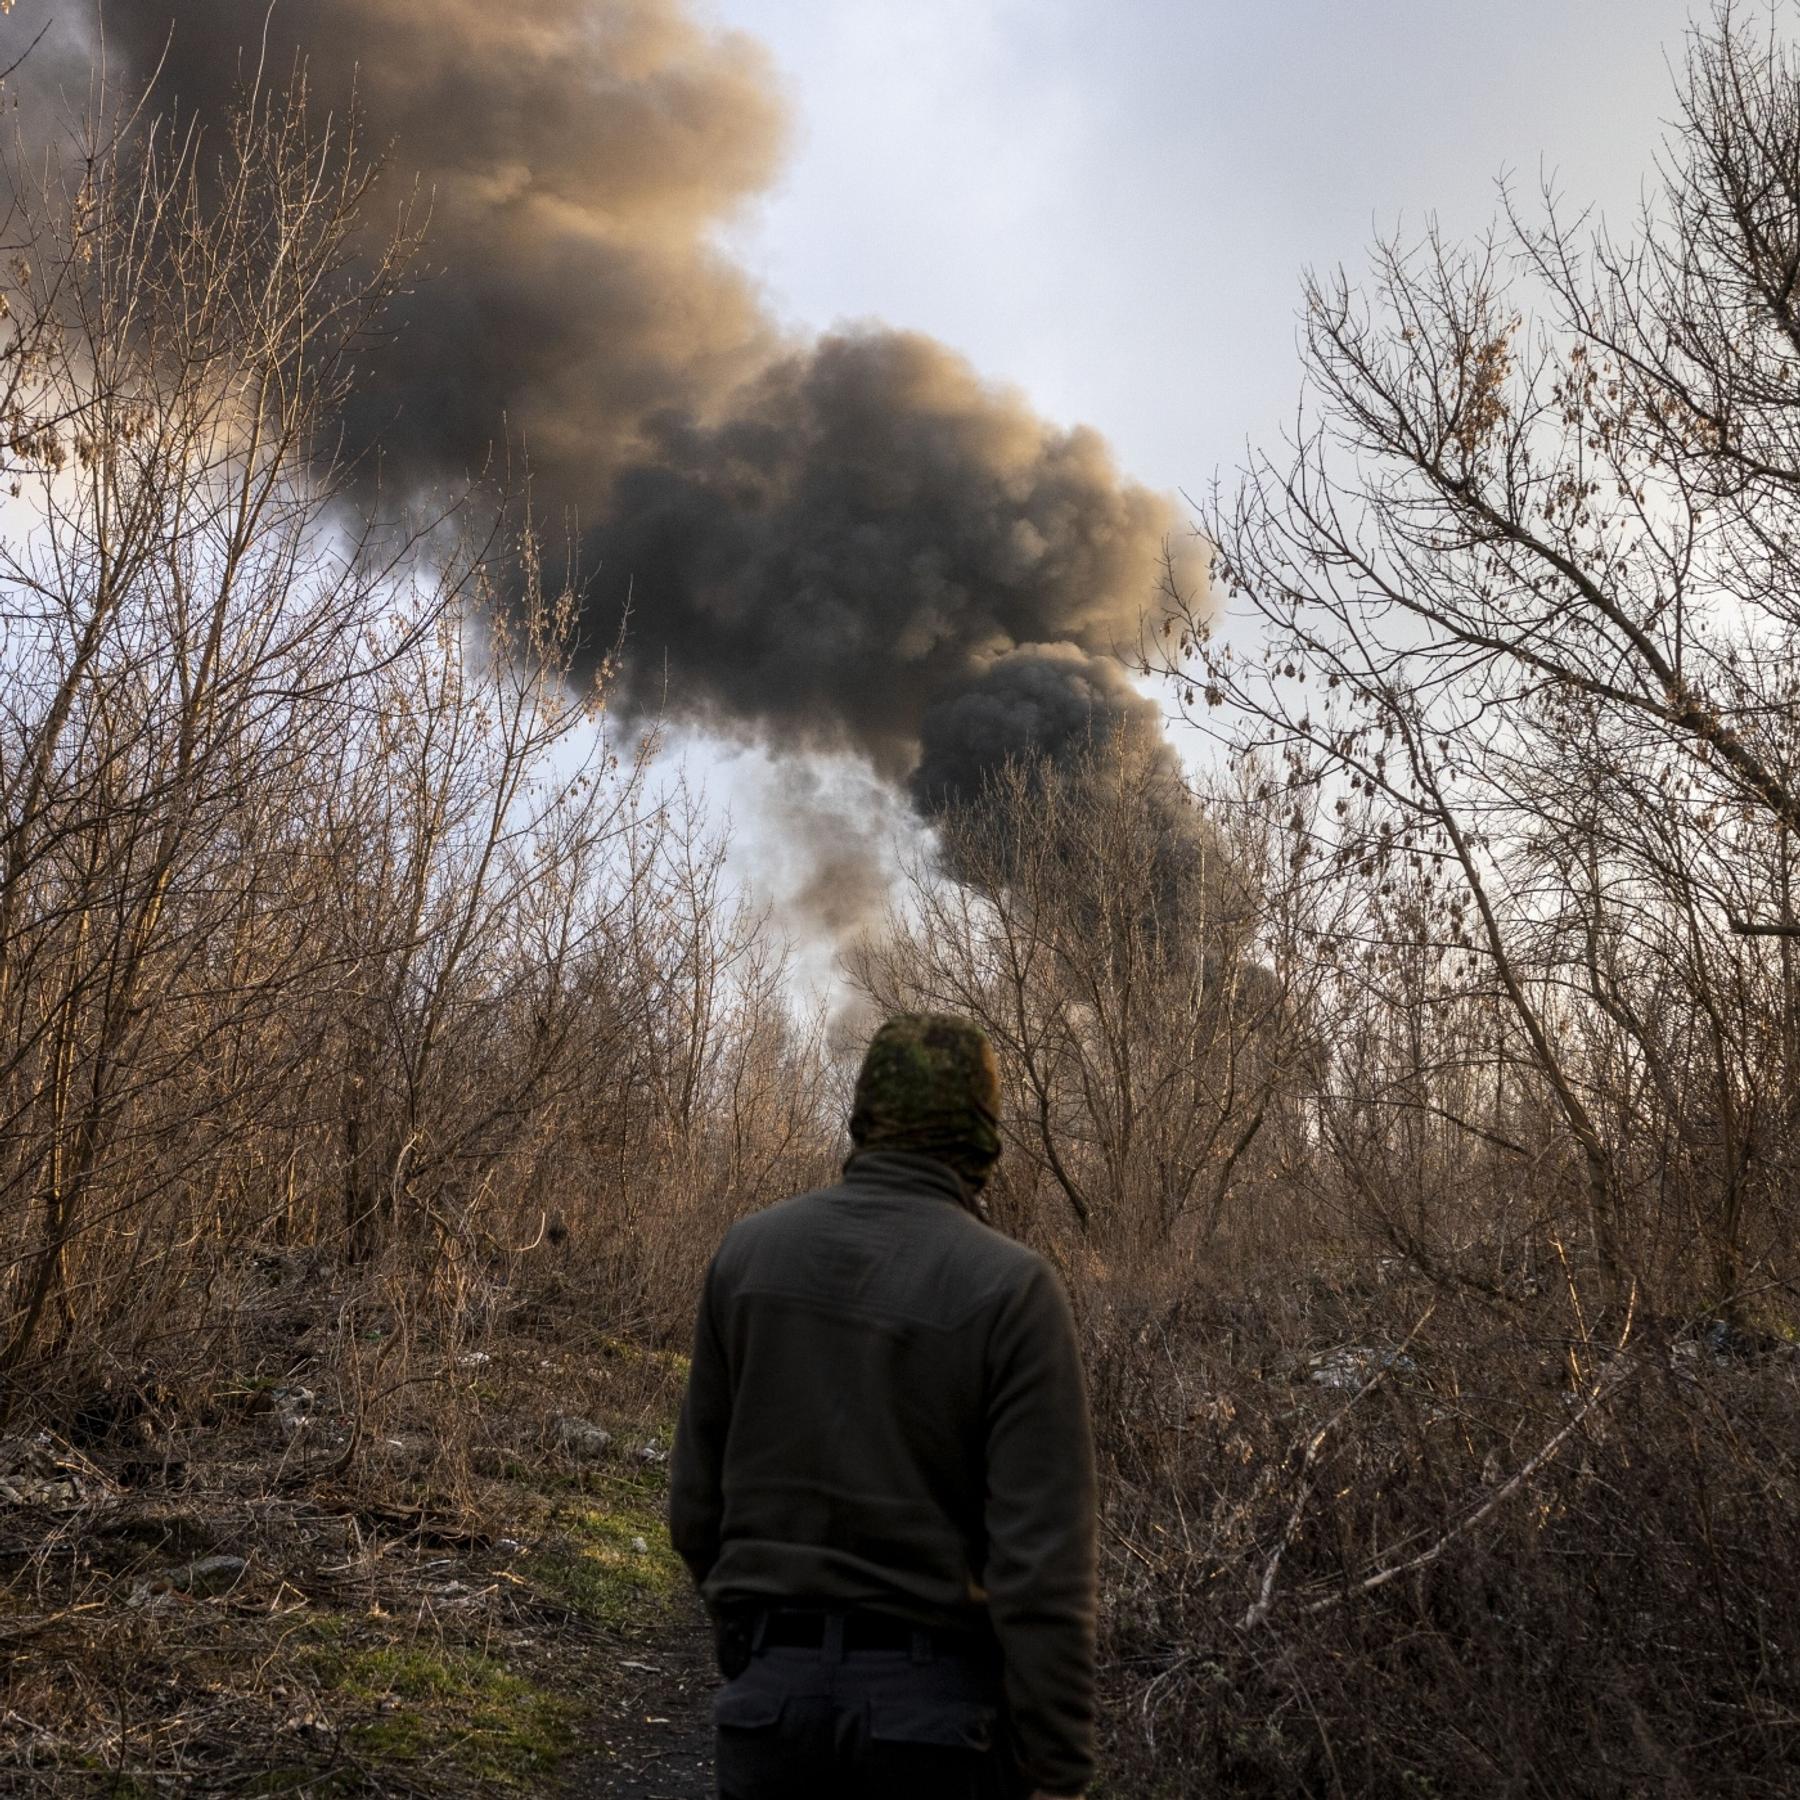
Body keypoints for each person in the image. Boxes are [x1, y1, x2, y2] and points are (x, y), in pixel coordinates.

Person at [669, 1012, 1096, 1800]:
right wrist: (1061, 1771)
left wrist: (762, 1655)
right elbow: (1042, 1574)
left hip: (768, 1720)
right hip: (937, 1729)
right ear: (981, 1135)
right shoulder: (1011, 1289)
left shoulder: (749, 1253)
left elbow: (695, 1511)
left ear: (864, 1116)